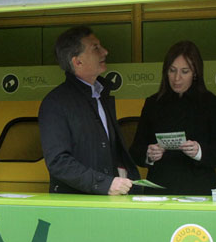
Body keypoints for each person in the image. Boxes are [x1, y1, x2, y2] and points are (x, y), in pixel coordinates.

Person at [39, 26, 140, 195]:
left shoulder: (101, 95)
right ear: (77, 62)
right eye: (96, 48)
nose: (105, 52)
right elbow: (58, 162)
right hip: (76, 207)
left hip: (106, 202)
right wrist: (105, 183)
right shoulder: (55, 103)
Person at [129, 41, 216, 195]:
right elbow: (135, 151)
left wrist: (199, 152)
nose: (177, 78)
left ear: (195, 73)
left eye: (185, 71)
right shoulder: (153, 103)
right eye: (172, 70)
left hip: (198, 190)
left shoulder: (211, 103)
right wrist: (148, 155)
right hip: (159, 190)